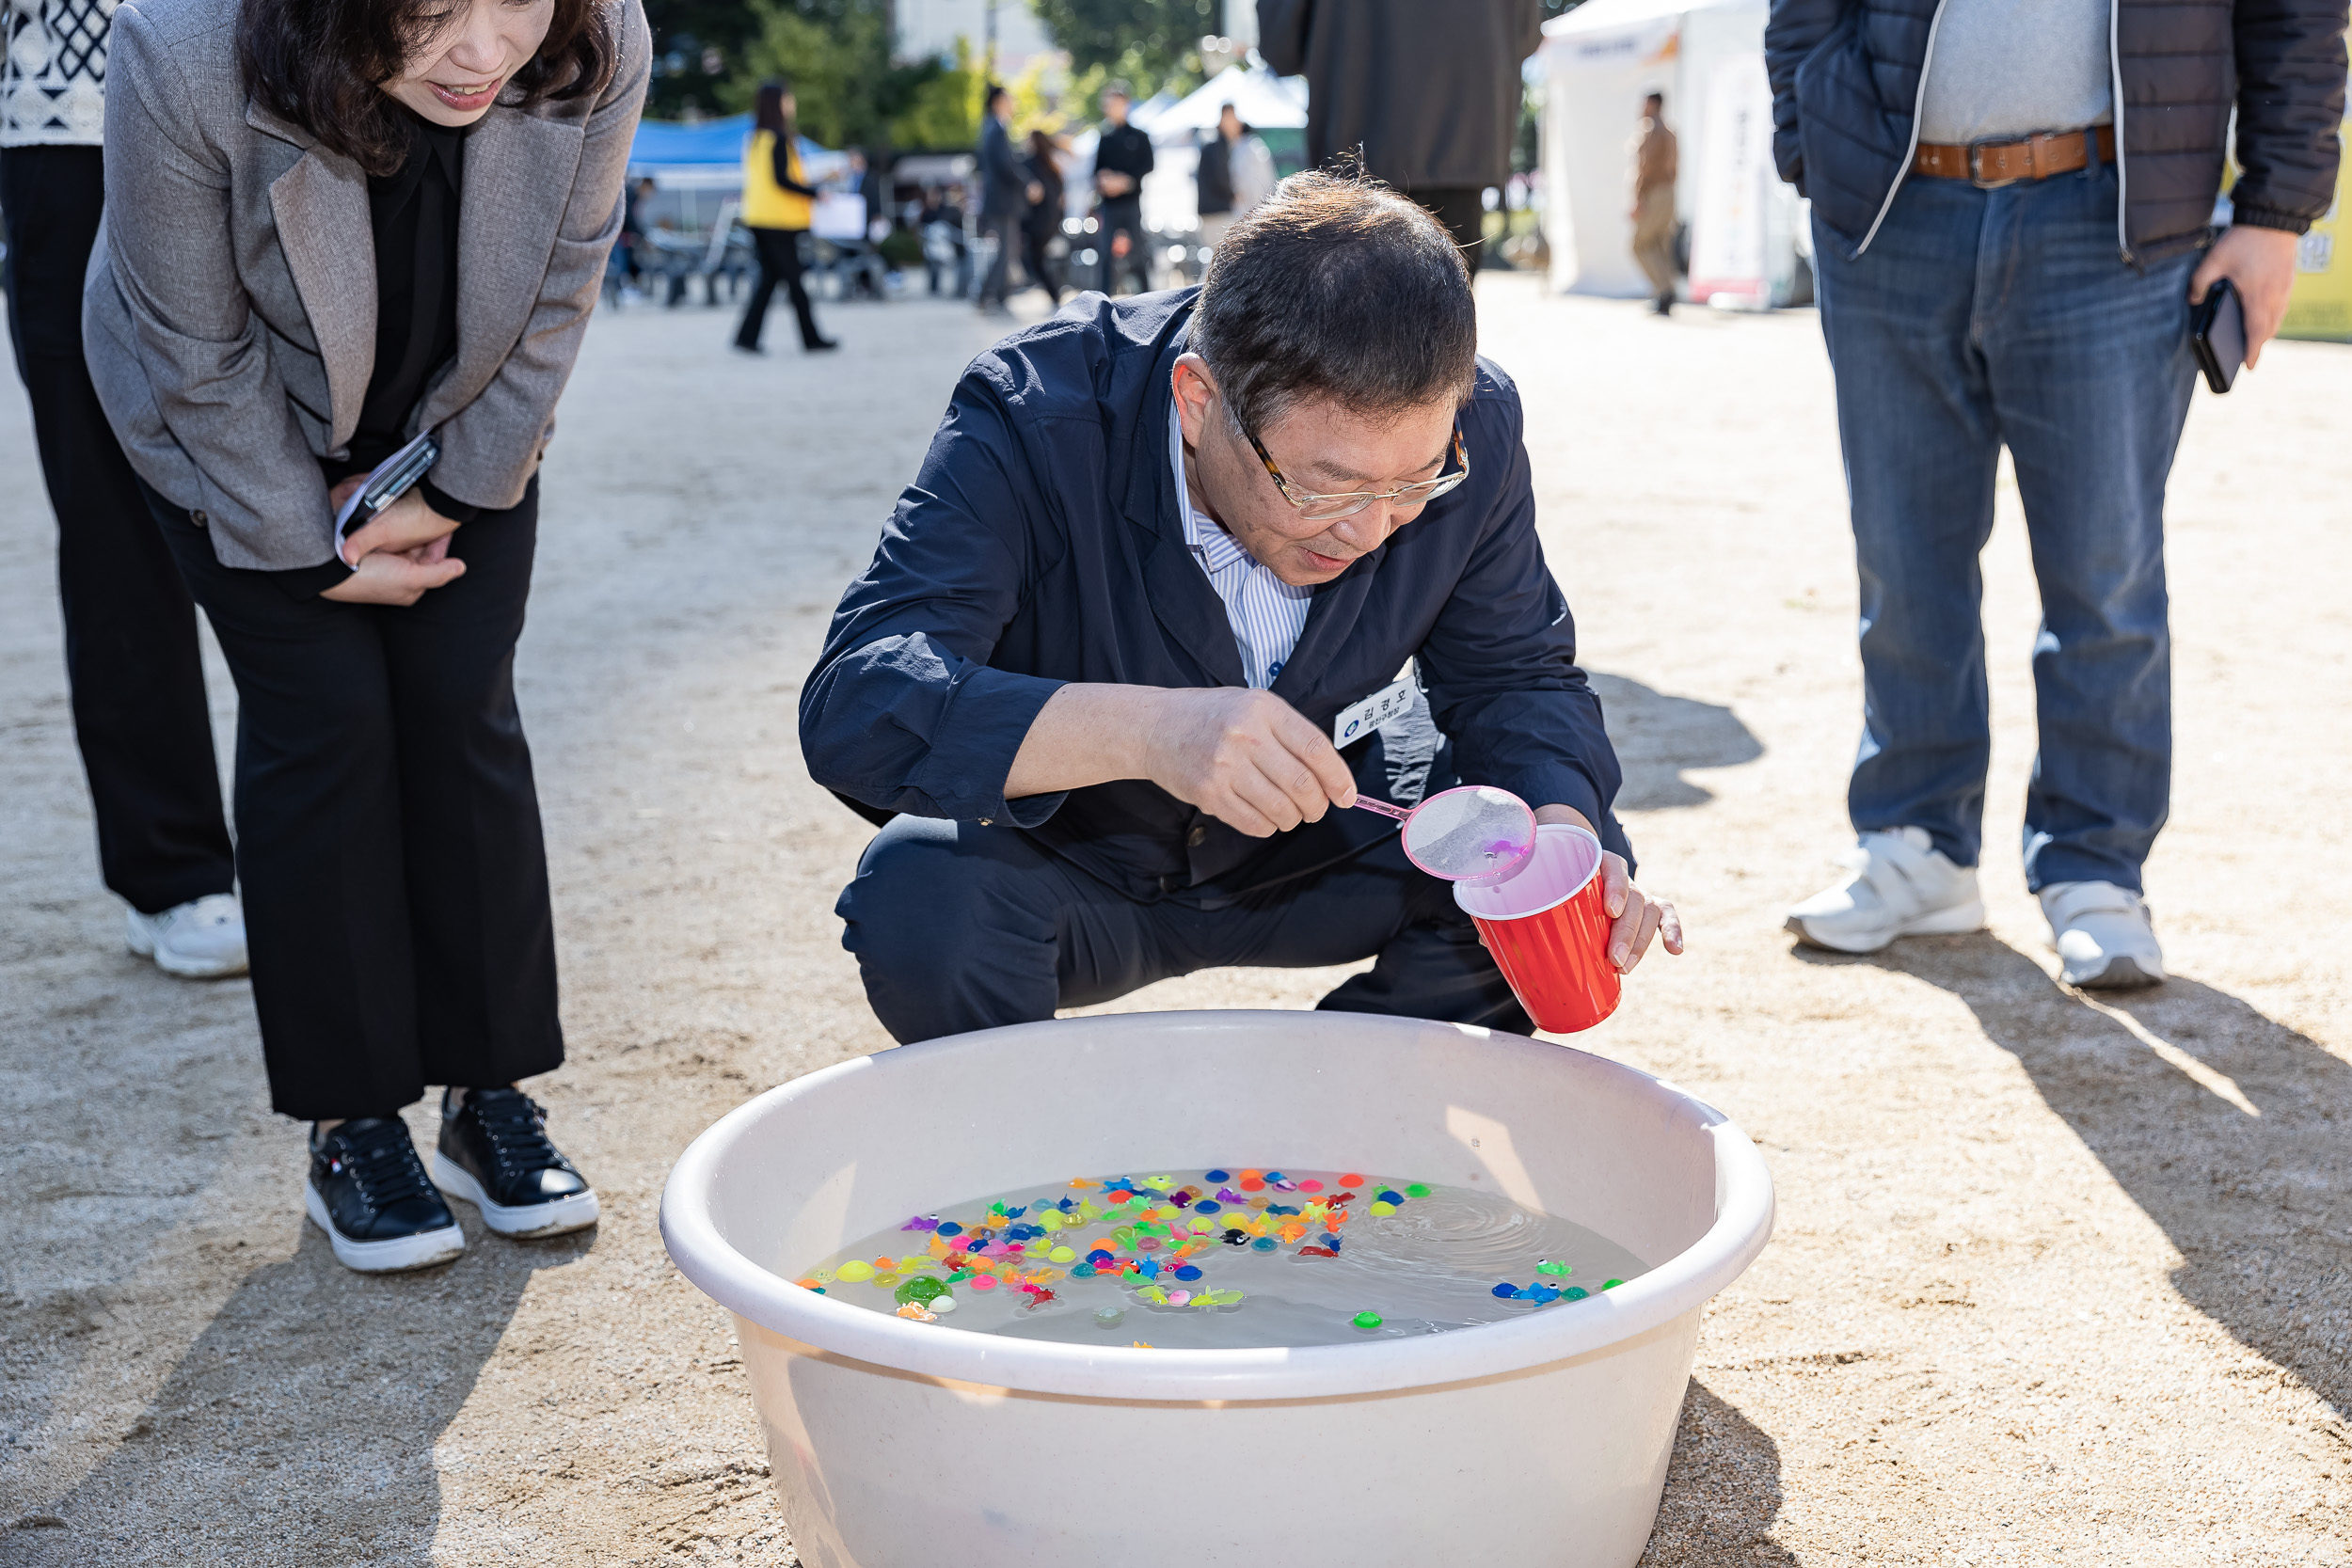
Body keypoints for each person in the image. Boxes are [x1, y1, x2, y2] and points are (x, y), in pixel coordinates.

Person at [801, 170, 1682, 1045]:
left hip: (1335, 846)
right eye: (1323, 486)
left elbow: (1515, 677)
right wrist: (1149, 732)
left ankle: (1329, 1113)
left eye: (1415, 485)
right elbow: (859, 699)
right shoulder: (1038, 411)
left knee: (1509, 862)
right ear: (1198, 401)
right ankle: (1047, 1138)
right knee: (921, 896)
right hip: (1075, 859)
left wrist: (1564, 840)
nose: (1370, 530)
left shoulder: (1476, 424)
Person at [85, 0, 650, 1271]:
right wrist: (309, 539)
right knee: (324, 719)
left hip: (458, 431)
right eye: (435, 8)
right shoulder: (180, 50)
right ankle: (353, 1122)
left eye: (517, 0)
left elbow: (562, 290)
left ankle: (490, 1090)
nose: (486, 49)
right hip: (229, 431)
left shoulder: (599, 29)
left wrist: (444, 494)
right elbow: (192, 351)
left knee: (460, 703)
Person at [1767, 0, 2345, 988]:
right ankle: (1918, 843)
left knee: (2103, 571)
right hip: (1892, 200)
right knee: (1901, 561)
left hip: (2114, 213)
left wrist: (2275, 211)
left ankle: (2095, 869)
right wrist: (1810, 135)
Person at [1, 0, 246, 978]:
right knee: (116, 525)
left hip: (275, 100)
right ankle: (173, 865)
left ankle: (355, 854)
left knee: (328, 484)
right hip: (68, 127)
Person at [1258, 0, 1544, 270]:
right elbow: (1526, 35)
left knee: (1354, 308)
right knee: (1451, 310)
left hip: (1357, 149)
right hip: (1465, 143)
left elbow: (1279, 43)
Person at [735, 79, 835, 354]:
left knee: (769, 280)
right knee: (794, 281)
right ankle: (811, 338)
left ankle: (746, 337)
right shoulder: (779, 138)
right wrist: (815, 192)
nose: (792, 104)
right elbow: (782, 180)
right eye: (788, 98)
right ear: (778, 103)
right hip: (778, 221)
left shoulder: (756, 139)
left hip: (759, 218)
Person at [1091, 81, 1156, 295]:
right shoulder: (1105, 137)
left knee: (1138, 253)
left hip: (1131, 204)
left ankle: (1147, 297)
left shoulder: (1138, 136)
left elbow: (1148, 165)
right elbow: (1097, 172)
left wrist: (1126, 181)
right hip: (1109, 205)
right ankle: (1103, 299)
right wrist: (1106, 182)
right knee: (1105, 256)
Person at [976, 84, 1028, 312]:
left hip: (999, 200)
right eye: (1009, 99)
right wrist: (1028, 182)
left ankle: (993, 295)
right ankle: (990, 295)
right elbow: (1006, 166)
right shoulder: (996, 130)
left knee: (1005, 251)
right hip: (1002, 201)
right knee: (1005, 252)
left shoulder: (992, 128)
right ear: (998, 102)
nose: (1012, 103)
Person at [1195, 103, 1274, 247]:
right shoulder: (1217, 145)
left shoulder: (1241, 146)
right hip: (1218, 212)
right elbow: (1220, 178)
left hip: (1217, 211)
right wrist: (1234, 195)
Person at [1629, 93, 1678, 315]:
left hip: (1655, 193)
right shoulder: (1670, 131)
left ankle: (1665, 291)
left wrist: (1638, 197)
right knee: (1658, 245)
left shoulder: (1651, 130)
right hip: (1668, 192)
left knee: (1640, 245)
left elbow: (1644, 168)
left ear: (1652, 104)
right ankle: (1664, 293)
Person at [1022, 129, 1067, 305]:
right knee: (1038, 258)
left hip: (1038, 220)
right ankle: (1055, 291)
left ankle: (1055, 292)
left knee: (1034, 259)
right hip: (1051, 219)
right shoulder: (1051, 164)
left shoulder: (1030, 165)